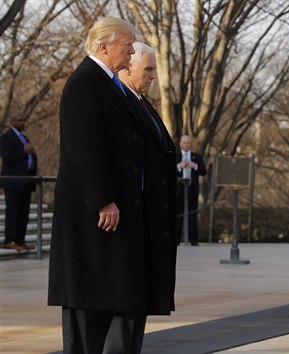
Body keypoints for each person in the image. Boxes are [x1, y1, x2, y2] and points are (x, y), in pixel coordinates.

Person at [48, 17, 178, 354]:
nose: (132, 49)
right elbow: (84, 148)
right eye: (127, 44)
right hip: (93, 219)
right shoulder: (84, 83)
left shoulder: (109, 84)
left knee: (109, 302)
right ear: (104, 47)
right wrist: (103, 199)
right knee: (88, 309)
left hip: (116, 216)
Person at [0, 112, 37, 251]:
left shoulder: (25, 138)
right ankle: (10, 240)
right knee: (13, 212)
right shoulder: (7, 138)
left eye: (24, 120)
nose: (23, 123)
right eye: (20, 120)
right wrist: (24, 151)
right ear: (12, 121)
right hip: (13, 182)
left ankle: (20, 240)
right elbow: (7, 158)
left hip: (26, 181)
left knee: (23, 212)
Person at [176, 134, 207, 245]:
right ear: (180, 144)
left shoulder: (197, 157)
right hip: (179, 189)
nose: (186, 145)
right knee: (177, 214)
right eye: (184, 143)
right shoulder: (175, 156)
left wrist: (195, 166)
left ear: (191, 144)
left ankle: (193, 239)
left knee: (192, 215)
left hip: (191, 189)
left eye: (188, 143)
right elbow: (167, 171)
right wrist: (179, 166)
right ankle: (176, 239)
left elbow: (204, 171)